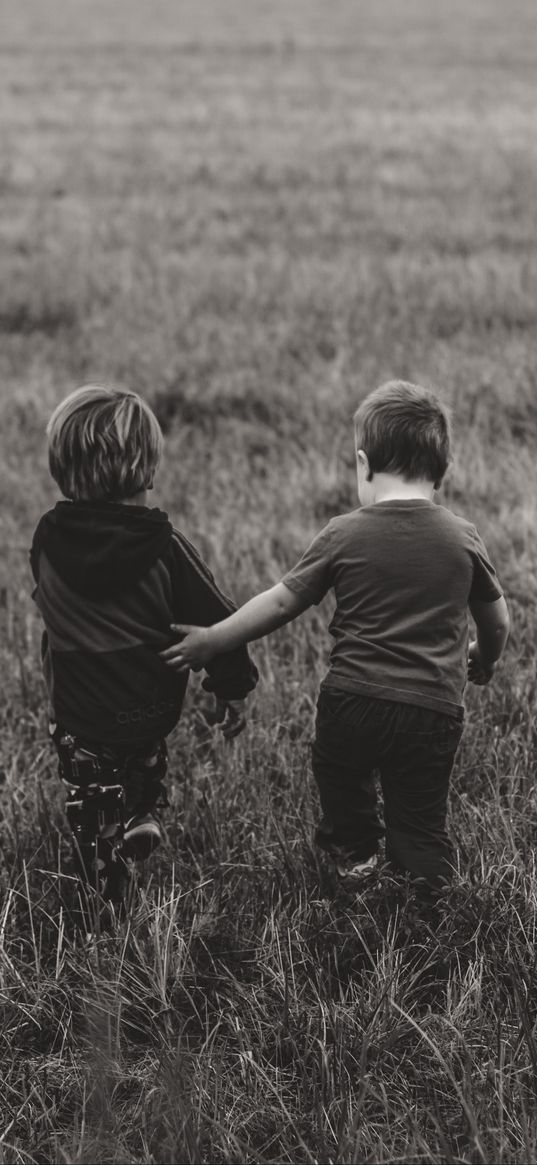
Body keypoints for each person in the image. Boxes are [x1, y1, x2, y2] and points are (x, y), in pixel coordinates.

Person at [161, 381, 509, 889]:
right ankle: (426, 879)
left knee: (343, 780)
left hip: (353, 702)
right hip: (432, 709)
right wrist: (486, 657)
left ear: (364, 464)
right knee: (420, 809)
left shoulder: (343, 533)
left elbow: (281, 602)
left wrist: (216, 638)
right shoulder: (463, 537)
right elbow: (498, 620)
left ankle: (355, 855)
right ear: (445, 473)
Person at [30, 384, 258, 919]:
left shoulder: (47, 539)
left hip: (82, 716)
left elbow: (45, 601)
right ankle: (142, 813)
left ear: (61, 468)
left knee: (92, 807)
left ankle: (105, 894)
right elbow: (221, 619)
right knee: (143, 760)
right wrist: (233, 687)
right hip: (150, 708)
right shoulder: (164, 546)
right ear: (148, 469)